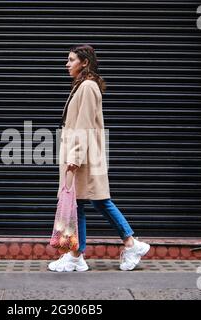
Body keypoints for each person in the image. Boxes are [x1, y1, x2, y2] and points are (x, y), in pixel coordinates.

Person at [48, 44, 150, 272]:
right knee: (85, 202)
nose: (67, 64)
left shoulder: (87, 87)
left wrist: (74, 158)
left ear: (84, 63)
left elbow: (84, 125)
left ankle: (128, 244)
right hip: (83, 155)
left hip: (83, 157)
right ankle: (79, 254)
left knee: (96, 201)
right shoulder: (82, 86)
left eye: (71, 59)